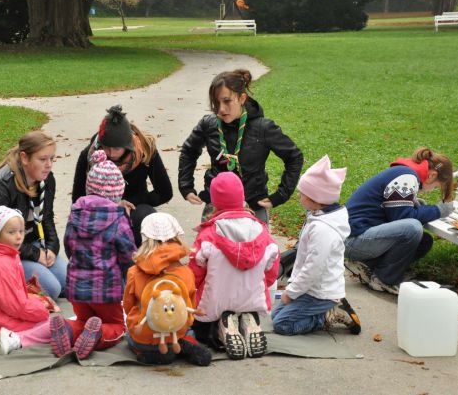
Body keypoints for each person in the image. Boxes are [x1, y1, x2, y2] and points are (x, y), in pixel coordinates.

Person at [178, 69, 303, 225]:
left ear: (242, 98)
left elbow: (294, 156)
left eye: (227, 101)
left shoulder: (263, 128)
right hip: (216, 207)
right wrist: (186, 187)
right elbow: (189, 151)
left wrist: (280, 195)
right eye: (216, 103)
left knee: (254, 249)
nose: (221, 109)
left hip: (252, 206)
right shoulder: (209, 124)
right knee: (210, 248)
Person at [0, 131, 67, 300]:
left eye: (51, 159)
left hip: (26, 240)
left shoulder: (47, 180)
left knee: (68, 283)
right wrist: (35, 254)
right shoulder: (0, 185)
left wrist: (52, 248)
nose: (49, 165)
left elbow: (47, 217)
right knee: (51, 290)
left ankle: (6, 280)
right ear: (24, 158)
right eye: (42, 159)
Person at [189, 172, 280, 360]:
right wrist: (265, 284)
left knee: (199, 330)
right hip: (253, 296)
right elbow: (272, 267)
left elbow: (195, 271)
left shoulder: (209, 233)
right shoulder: (261, 230)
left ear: (214, 202)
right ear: (242, 197)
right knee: (246, 296)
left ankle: (221, 326)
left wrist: (190, 291)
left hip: (214, 300)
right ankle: (245, 318)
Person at [344, 147, 455, 295]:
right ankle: (384, 280)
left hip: (358, 235)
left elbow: (392, 211)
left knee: (423, 241)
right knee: (413, 228)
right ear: (432, 175)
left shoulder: (404, 172)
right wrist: (438, 210)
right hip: (353, 240)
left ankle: (366, 265)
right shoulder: (407, 178)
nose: (431, 190)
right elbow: (402, 218)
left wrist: (412, 203)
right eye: (435, 187)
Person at [0, 206, 81, 358]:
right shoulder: (1, 264)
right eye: (11, 232)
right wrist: (40, 311)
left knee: (50, 318)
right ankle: (15, 340)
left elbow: (13, 296)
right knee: (55, 326)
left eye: (21, 231)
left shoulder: (6, 255)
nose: (19, 237)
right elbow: (14, 306)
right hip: (0, 325)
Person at [271, 156, 361, 336]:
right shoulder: (318, 215)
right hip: (310, 287)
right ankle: (319, 312)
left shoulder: (323, 230)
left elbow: (314, 268)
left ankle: (327, 315)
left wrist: (292, 292)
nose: (299, 196)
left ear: (315, 198)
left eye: (302, 193)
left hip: (320, 292)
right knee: (276, 315)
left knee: (282, 325)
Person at [64, 150, 137, 355]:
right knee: (116, 325)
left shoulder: (76, 213)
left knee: (83, 320)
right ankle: (97, 336)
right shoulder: (118, 218)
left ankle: (68, 331)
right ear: (117, 192)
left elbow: (68, 246)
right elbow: (128, 256)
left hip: (76, 288)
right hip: (105, 290)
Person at [72, 105, 173, 246]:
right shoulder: (88, 155)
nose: (112, 154)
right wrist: (111, 206)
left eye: (117, 149)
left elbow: (165, 192)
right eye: (107, 148)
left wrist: (131, 203)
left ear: (128, 145)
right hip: (99, 211)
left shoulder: (145, 151)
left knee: (148, 221)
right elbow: (78, 199)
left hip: (136, 205)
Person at [123, 212, 212, 366]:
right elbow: (190, 307)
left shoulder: (134, 272)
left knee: (129, 334)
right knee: (187, 329)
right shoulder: (186, 272)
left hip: (145, 336)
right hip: (176, 330)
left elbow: (128, 305)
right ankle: (186, 342)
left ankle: (153, 352)